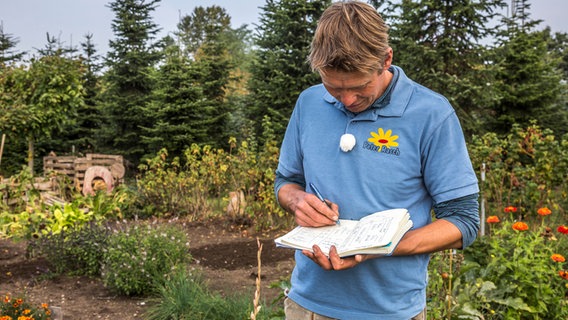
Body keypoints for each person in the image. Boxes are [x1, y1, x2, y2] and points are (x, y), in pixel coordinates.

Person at [274, 1, 480, 319]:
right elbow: (285, 181)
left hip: (392, 311)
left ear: (386, 59)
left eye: (359, 87)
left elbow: (463, 222)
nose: (347, 100)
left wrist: (376, 246)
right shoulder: (309, 103)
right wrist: (297, 200)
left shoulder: (431, 114)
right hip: (308, 305)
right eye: (333, 87)